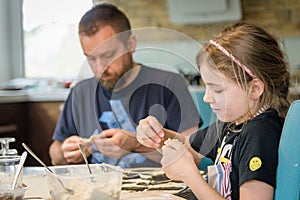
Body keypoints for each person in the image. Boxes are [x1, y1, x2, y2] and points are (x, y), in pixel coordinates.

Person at [136, 22, 292, 199]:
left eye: (217, 89)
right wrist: (157, 135)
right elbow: (187, 147)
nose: (207, 98)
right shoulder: (233, 125)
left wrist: (190, 176)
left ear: (255, 88)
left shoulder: (260, 134)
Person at [49, 3, 201, 168]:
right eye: (91, 58)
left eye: (108, 55)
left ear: (130, 44)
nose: (100, 68)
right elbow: (55, 153)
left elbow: (194, 155)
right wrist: (65, 152)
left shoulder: (169, 83)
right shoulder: (81, 92)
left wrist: (136, 145)